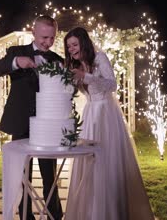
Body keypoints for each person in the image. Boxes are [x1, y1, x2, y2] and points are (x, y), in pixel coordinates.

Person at [64, 27, 155, 220]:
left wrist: (86, 76)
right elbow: (85, 92)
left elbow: (112, 84)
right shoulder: (77, 64)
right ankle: (89, 212)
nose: (71, 49)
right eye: (68, 46)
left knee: (106, 160)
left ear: (83, 42)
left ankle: (110, 212)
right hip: (90, 113)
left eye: (74, 44)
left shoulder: (100, 58)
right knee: (89, 162)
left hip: (105, 114)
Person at [0, 15, 63, 220]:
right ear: (33, 32)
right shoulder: (16, 52)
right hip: (21, 123)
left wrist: (65, 80)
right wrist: (15, 63)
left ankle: (54, 215)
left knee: (50, 176)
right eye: (44, 37)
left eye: (52, 38)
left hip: (47, 127)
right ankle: (26, 216)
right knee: (23, 176)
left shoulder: (57, 60)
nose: (48, 42)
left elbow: (66, 93)